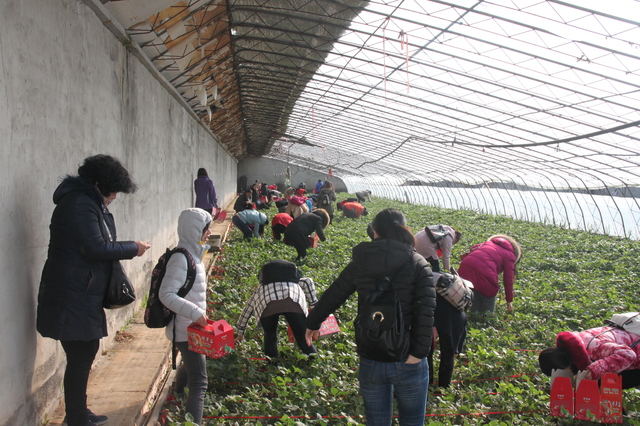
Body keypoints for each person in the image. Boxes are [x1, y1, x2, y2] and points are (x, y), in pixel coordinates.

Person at [36, 154, 151, 426]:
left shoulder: (87, 203)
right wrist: (133, 248)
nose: (113, 197)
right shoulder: (79, 204)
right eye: (112, 191)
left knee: (83, 353)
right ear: (98, 183)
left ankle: (78, 412)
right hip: (71, 294)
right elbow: (95, 247)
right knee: (81, 353)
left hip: (80, 292)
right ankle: (75, 417)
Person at [306, 208, 436, 426]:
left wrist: (312, 322)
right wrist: (418, 354)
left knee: (376, 422)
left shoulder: (362, 261)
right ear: (405, 230)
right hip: (408, 359)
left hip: (372, 354)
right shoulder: (418, 263)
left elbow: (335, 293)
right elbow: (427, 310)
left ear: (374, 232)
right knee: (412, 421)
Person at [158, 208, 212, 425]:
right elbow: (166, 294)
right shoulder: (181, 258)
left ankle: (178, 390)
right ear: (194, 230)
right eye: (205, 229)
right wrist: (196, 312)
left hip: (189, 326)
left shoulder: (192, 254)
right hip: (185, 329)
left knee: (190, 366)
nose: (208, 233)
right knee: (200, 382)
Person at [236, 260, 318, 358]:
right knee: (302, 335)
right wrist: (314, 306)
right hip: (292, 301)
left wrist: (240, 333)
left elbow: (248, 309)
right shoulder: (294, 281)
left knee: (270, 336)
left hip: (268, 304)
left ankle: (272, 364)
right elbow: (308, 281)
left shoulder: (262, 287)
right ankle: (314, 359)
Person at [539, 325, 640, 389]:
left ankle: (617, 418)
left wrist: (595, 370)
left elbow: (628, 354)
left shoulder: (594, 349)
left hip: (634, 355)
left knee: (604, 384)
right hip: (630, 347)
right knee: (602, 382)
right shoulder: (577, 345)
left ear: (566, 367)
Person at [457, 234, 522, 314]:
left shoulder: (488, 243)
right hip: (485, 273)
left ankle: (473, 320)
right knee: (488, 301)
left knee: (475, 298)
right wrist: (509, 301)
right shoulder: (510, 255)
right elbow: (508, 280)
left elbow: (473, 248)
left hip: (465, 268)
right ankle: (487, 322)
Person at [426, 288, 467, 388]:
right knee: (447, 353)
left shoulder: (422, 280)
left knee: (426, 351)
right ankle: (443, 387)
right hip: (454, 315)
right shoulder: (447, 283)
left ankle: (428, 386)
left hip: (439, 314)